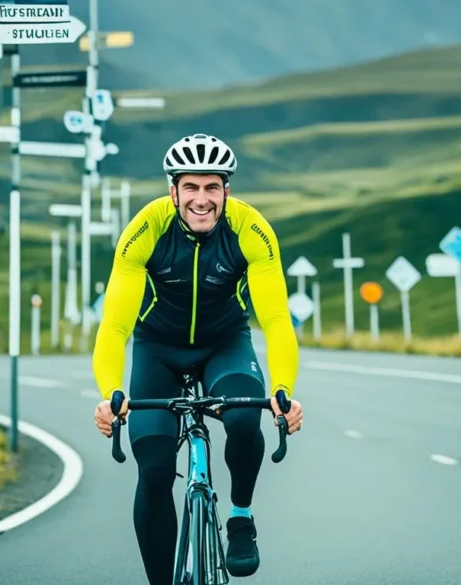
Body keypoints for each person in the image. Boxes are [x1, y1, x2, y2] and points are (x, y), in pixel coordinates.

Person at [91, 133, 304, 584]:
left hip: (224, 344)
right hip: (158, 350)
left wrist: (284, 391)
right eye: (191, 187)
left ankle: (241, 516)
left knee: (247, 418)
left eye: (212, 187)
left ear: (227, 190)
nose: (201, 199)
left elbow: (277, 320)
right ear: (174, 191)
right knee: (153, 471)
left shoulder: (251, 230)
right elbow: (114, 327)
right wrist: (110, 394)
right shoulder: (145, 230)